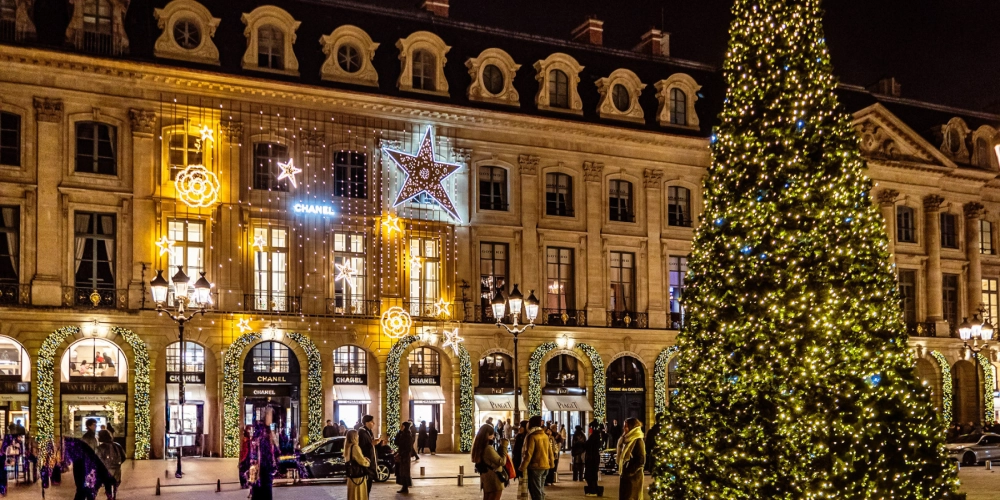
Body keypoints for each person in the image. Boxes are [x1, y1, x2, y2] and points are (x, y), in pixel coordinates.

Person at [519, 416, 553, 500]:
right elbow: (550, 451)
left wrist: (522, 467)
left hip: (536, 467)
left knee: (536, 493)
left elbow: (528, 454)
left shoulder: (532, 436)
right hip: (545, 466)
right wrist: (551, 463)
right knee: (540, 491)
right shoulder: (544, 435)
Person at [472, 424, 509, 500]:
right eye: (492, 434)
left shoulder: (479, 446)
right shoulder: (488, 448)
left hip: (486, 480)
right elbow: (502, 462)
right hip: (494, 480)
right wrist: (504, 446)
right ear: (488, 435)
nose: (494, 436)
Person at [617, 418, 645, 500]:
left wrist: (629, 472)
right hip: (626, 476)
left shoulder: (638, 441)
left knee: (631, 497)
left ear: (632, 427)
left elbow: (641, 460)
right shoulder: (626, 440)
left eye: (625, 426)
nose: (623, 428)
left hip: (634, 478)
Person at [250, 425, 278, 500]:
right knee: (266, 488)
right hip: (265, 469)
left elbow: (255, 454)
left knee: (259, 487)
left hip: (262, 468)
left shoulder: (261, 441)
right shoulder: (267, 442)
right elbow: (274, 455)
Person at [96, 430, 124, 499]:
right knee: (114, 483)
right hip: (116, 469)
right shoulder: (117, 445)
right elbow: (124, 456)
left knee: (107, 484)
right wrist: (118, 464)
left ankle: (109, 497)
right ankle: (114, 496)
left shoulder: (101, 447)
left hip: (106, 469)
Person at [344, 430, 370, 500]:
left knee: (352, 495)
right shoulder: (355, 447)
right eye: (357, 435)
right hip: (357, 476)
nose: (358, 437)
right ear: (354, 437)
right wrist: (367, 462)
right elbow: (361, 461)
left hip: (351, 476)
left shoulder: (347, 447)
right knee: (359, 494)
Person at [358, 415, 378, 495]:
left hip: (370, 463)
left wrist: (378, 444)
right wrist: (372, 444)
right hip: (366, 464)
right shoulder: (362, 433)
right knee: (366, 488)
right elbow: (362, 447)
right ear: (367, 422)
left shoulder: (368, 432)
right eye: (372, 422)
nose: (374, 423)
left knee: (368, 488)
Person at [394, 422, 415, 494]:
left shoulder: (408, 435)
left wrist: (403, 454)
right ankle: (404, 486)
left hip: (405, 456)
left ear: (405, 426)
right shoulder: (402, 434)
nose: (401, 427)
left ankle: (405, 487)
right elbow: (396, 442)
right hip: (402, 455)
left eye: (402, 426)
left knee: (404, 471)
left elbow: (408, 447)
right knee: (401, 471)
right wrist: (399, 432)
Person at [584, 425, 604, 496]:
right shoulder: (597, 441)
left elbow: (585, 446)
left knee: (590, 476)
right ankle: (595, 490)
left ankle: (594, 491)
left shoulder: (591, 441)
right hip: (594, 460)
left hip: (591, 461)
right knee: (593, 476)